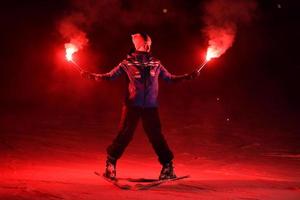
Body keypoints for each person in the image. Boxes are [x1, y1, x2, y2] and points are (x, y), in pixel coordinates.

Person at [82, 33, 200, 180]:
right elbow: (110, 76)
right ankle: (111, 164)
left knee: (156, 136)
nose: (150, 45)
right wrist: (93, 76)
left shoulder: (156, 63)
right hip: (132, 106)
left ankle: (167, 167)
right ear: (144, 44)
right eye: (148, 43)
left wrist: (187, 76)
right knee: (125, 135)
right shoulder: (127, 63)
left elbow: (169, 79)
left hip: (150, 107)